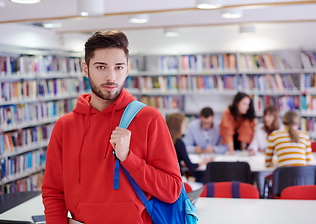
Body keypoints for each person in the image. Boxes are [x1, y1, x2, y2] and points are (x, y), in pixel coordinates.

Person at [42, 30, 182, 224]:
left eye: (118, 67)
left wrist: (128, 158)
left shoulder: (149, 118)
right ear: (85, 68)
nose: (111, 77)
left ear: (127, 69)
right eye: (101, 67)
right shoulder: (65, 126)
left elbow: (172, 190)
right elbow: (53, 192)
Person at [166, 113, 213, 183]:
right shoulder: (179, 143)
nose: (185, 127)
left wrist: (179, 162)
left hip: (168, 178)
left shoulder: (165, 141)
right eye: (183, 124)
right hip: (177, 179)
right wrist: (203, 162)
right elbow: (191, 166)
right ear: (178, 126)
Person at [248, 105, 282, 197]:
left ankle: (273, 195)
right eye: (265, 115)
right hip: (263, 162)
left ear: (275, 117)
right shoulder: (259, 128)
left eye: (270, 116)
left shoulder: (281, 130)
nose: (266, 118)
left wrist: (266, 150)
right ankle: (261, 196)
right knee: (258, 172)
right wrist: (252, 150)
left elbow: (280, 149)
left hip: (277, 164)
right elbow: (253, 145)